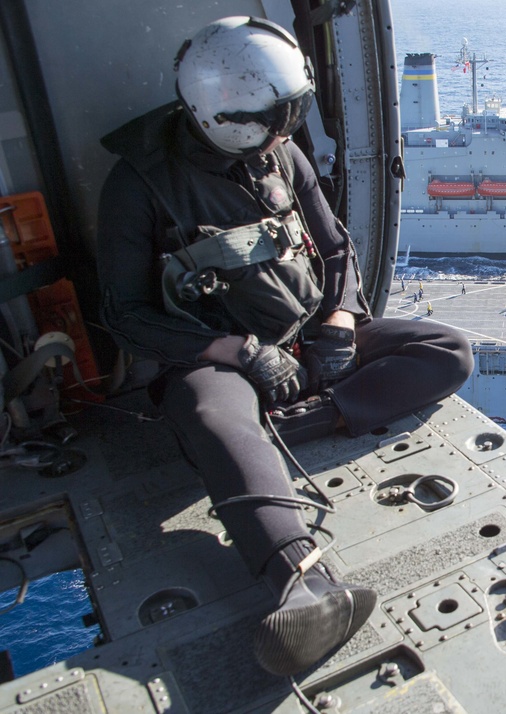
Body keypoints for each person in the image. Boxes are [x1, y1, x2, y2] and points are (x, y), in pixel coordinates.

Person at [96, 17, 472, 677]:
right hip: (216, 357)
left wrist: (342, 318)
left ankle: (302, 420)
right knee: (214, 416)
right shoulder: (138, 186)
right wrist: (241, 354)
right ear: (221, 114)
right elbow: (126, 316)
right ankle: (301, 579)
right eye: (272, 118)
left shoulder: (281, 151)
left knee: (449, 351)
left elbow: (334, 248)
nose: (284, 130)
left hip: (305, 336)